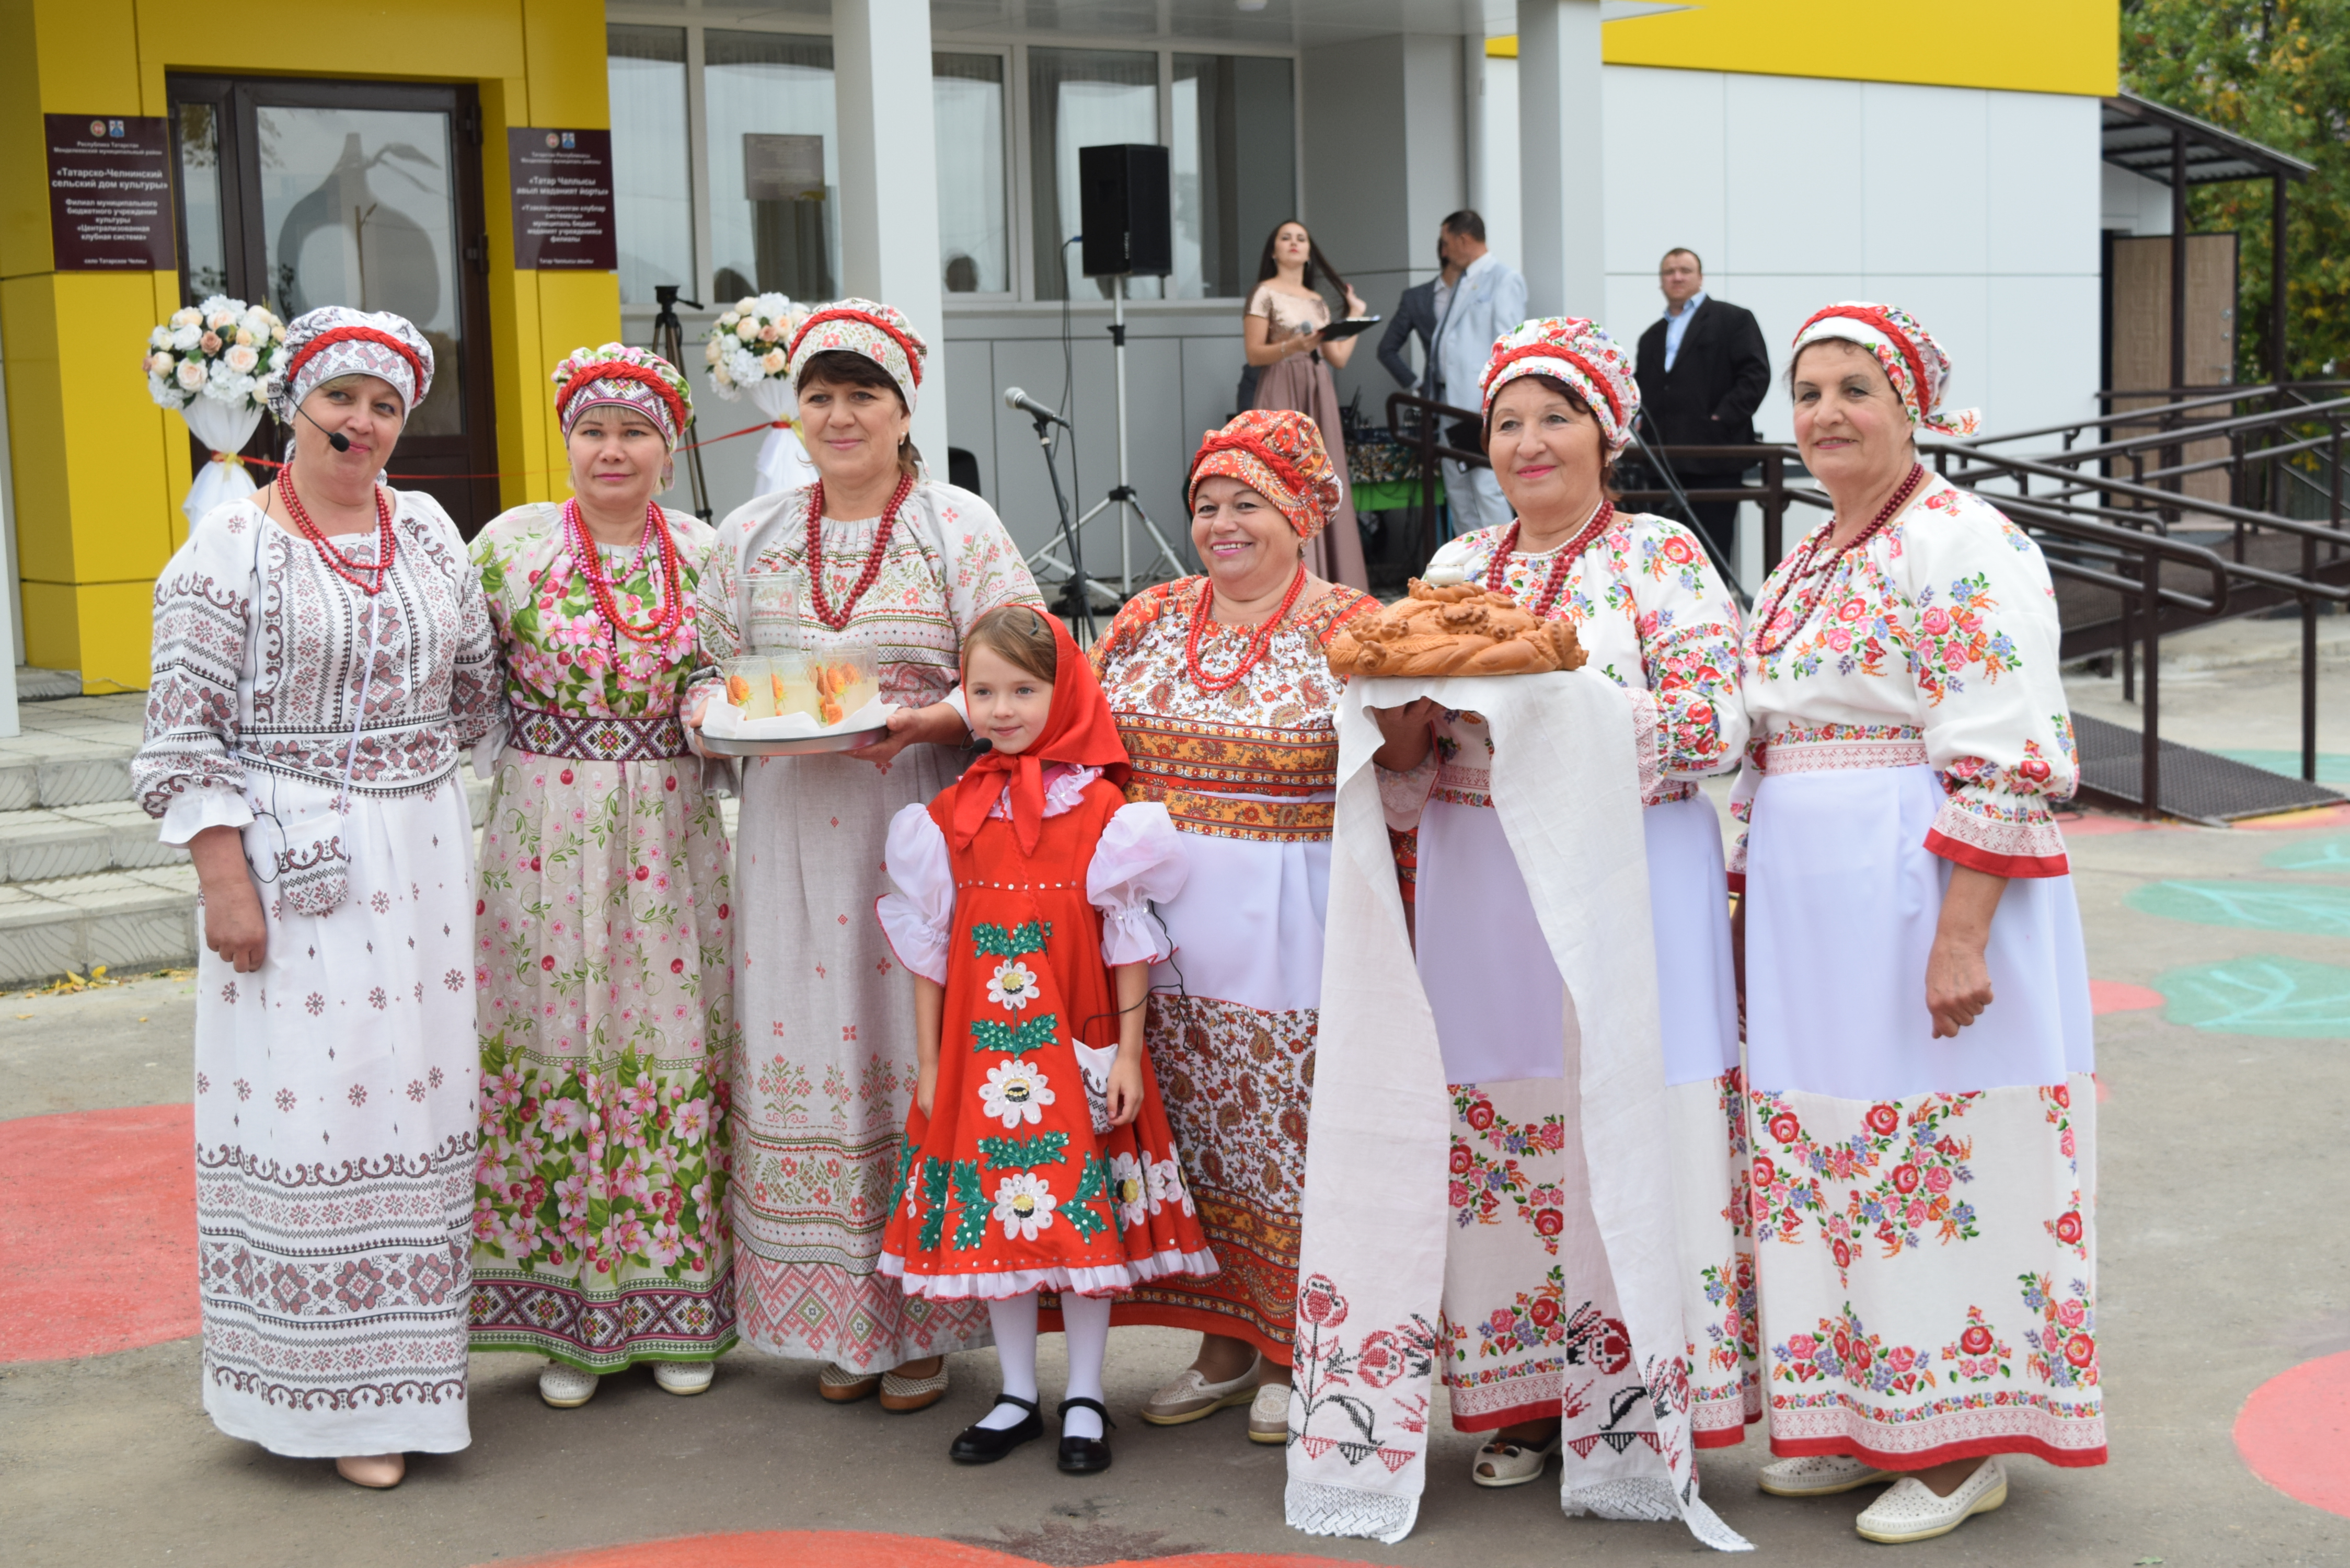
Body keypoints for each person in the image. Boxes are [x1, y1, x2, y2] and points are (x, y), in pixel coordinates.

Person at [1734, 303, 2099, 1545]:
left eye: (1856, 388)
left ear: (1913, 405)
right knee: (1829, 1144)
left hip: (1914, 880)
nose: (1827, 413)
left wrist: (1959, 935)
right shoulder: (1804, 556)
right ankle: (1865, 1411)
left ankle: (1962, 1441)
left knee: (1933, 1149)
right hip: (1811, 905)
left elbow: (2009, 750)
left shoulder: (1963, 539)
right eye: (1810, 391)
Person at [1367, 318, 1755, 1486]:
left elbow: (1713, 728)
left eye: (1555, 417)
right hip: (1484, 891)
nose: (1528, 443)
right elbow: (1405, 764)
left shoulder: (1662, 562)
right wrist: (1395, 723)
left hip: (1629, 878)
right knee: (1497, 1118)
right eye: (1506, 422)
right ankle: (1526, 1392)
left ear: (1607, 430)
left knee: (1625, 1111)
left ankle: (1639, 1395)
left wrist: (1544, 706)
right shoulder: (1452, 570)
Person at [134, 307, 497, 1489]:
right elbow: (180, 738)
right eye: (342, 398)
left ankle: (411, 1376)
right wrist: (223, 875)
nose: (362, 423)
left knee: (423, 1099)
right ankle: (332, 1402)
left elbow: (479, 686)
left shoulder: (435, 531)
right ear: (298, 403)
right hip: (290, 859)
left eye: (386, 405)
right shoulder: (228, 549)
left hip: (424, 855)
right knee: (324, 1106)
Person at [687, 297, 1045, 1414]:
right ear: (793, 412)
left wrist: (941, 720)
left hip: (921, 831)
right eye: (820, 396)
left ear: (904, 411)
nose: (839, 417)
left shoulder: (957, 525)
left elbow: (1032, 669)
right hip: (790, 839)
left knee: (915, 1059)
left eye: (862, 397)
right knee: (813, 1063)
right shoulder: (746, 537)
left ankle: (926, 1320)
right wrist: (718, 715)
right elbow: (701, 678)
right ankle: (840, 1318)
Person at [1088, 409, 1377, 1444]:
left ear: (1300, 514)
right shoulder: (1149, 617)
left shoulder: (1352, 626)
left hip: (1293, 930)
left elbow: (1410, 772)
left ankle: (1299, 1348)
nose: (1222, 523)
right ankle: (1218, 1343)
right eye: (1207, 504)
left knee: (1290, 1139)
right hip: (1162, 942)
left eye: (1246, 503)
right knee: (1194, 1139)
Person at [874, 606, 1214, 1474]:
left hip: (1079, 1051)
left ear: (1065, 693)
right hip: (982, 1060)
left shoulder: (1107, 811)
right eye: (981, 690)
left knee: (1078, 1215)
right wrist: (931, 1064)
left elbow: (1127, 940)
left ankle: (1088, 1395)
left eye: (1024, 689)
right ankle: (1018, 1392)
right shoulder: (946, 815)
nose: (1000, 707)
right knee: (1000, 1219)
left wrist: (1130, 1055)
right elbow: (928, 954)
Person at [466, 344, 737, 1406]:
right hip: (543, 826)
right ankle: (563, 1320)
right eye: (593, 431)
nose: (612, 450)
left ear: (669, 452)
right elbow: (459, 688)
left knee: (670, 1043)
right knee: (556, 1040)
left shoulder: (714, 554)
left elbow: (736, 681)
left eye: (635, 433)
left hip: (672, 827)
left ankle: (678, 1307)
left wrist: (723, 718)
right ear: (568, 441)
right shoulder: (509, 549)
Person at [1244, 220, 1371, 591]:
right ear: (1274, 250)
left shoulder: (1316, 301)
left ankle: (1329, 576)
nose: (1295, 243)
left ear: (1309, 251)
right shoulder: (1263, 292)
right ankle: (1286, 578)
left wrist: (1355, 314)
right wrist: (1294, 347)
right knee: (1285, 475)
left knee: (1322, 476)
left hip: (1318, 390)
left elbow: (1339, 357)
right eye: (1286, 238)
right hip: (1282, 384)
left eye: (1301, 238)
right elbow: (1254, 354)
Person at [1632, 249, 1771, 564]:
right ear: (1661, 282)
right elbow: (1641, 389)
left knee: (1712, 554)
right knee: (1663, 556)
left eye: (1685, 270)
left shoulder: (1733, 319)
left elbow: (1755, 375)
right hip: (1662, 463)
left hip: (1714, 459)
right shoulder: (1651, 336)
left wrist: (1720, 419)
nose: (1677, 277)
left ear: (1700, 277)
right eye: (1669, 271)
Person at [1425, 210, 1527, 536]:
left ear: (1463, 239)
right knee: (1458, 490)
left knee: (1485, 486)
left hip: (1478, 404)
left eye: (1446, 242)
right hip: (1448, 403)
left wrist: (1497, 403)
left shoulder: (1504, 278)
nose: (1444, 251)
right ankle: (1472, 566)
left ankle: (1504, 560)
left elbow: (1509, 347)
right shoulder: (1464, 279)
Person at [1377, 238, 1459, 396]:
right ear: (1446, 251)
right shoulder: (1416, 298)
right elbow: (1386, 349)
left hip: (1478, 396)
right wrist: (1420, 386)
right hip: (1437, 398)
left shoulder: (1481, 294)